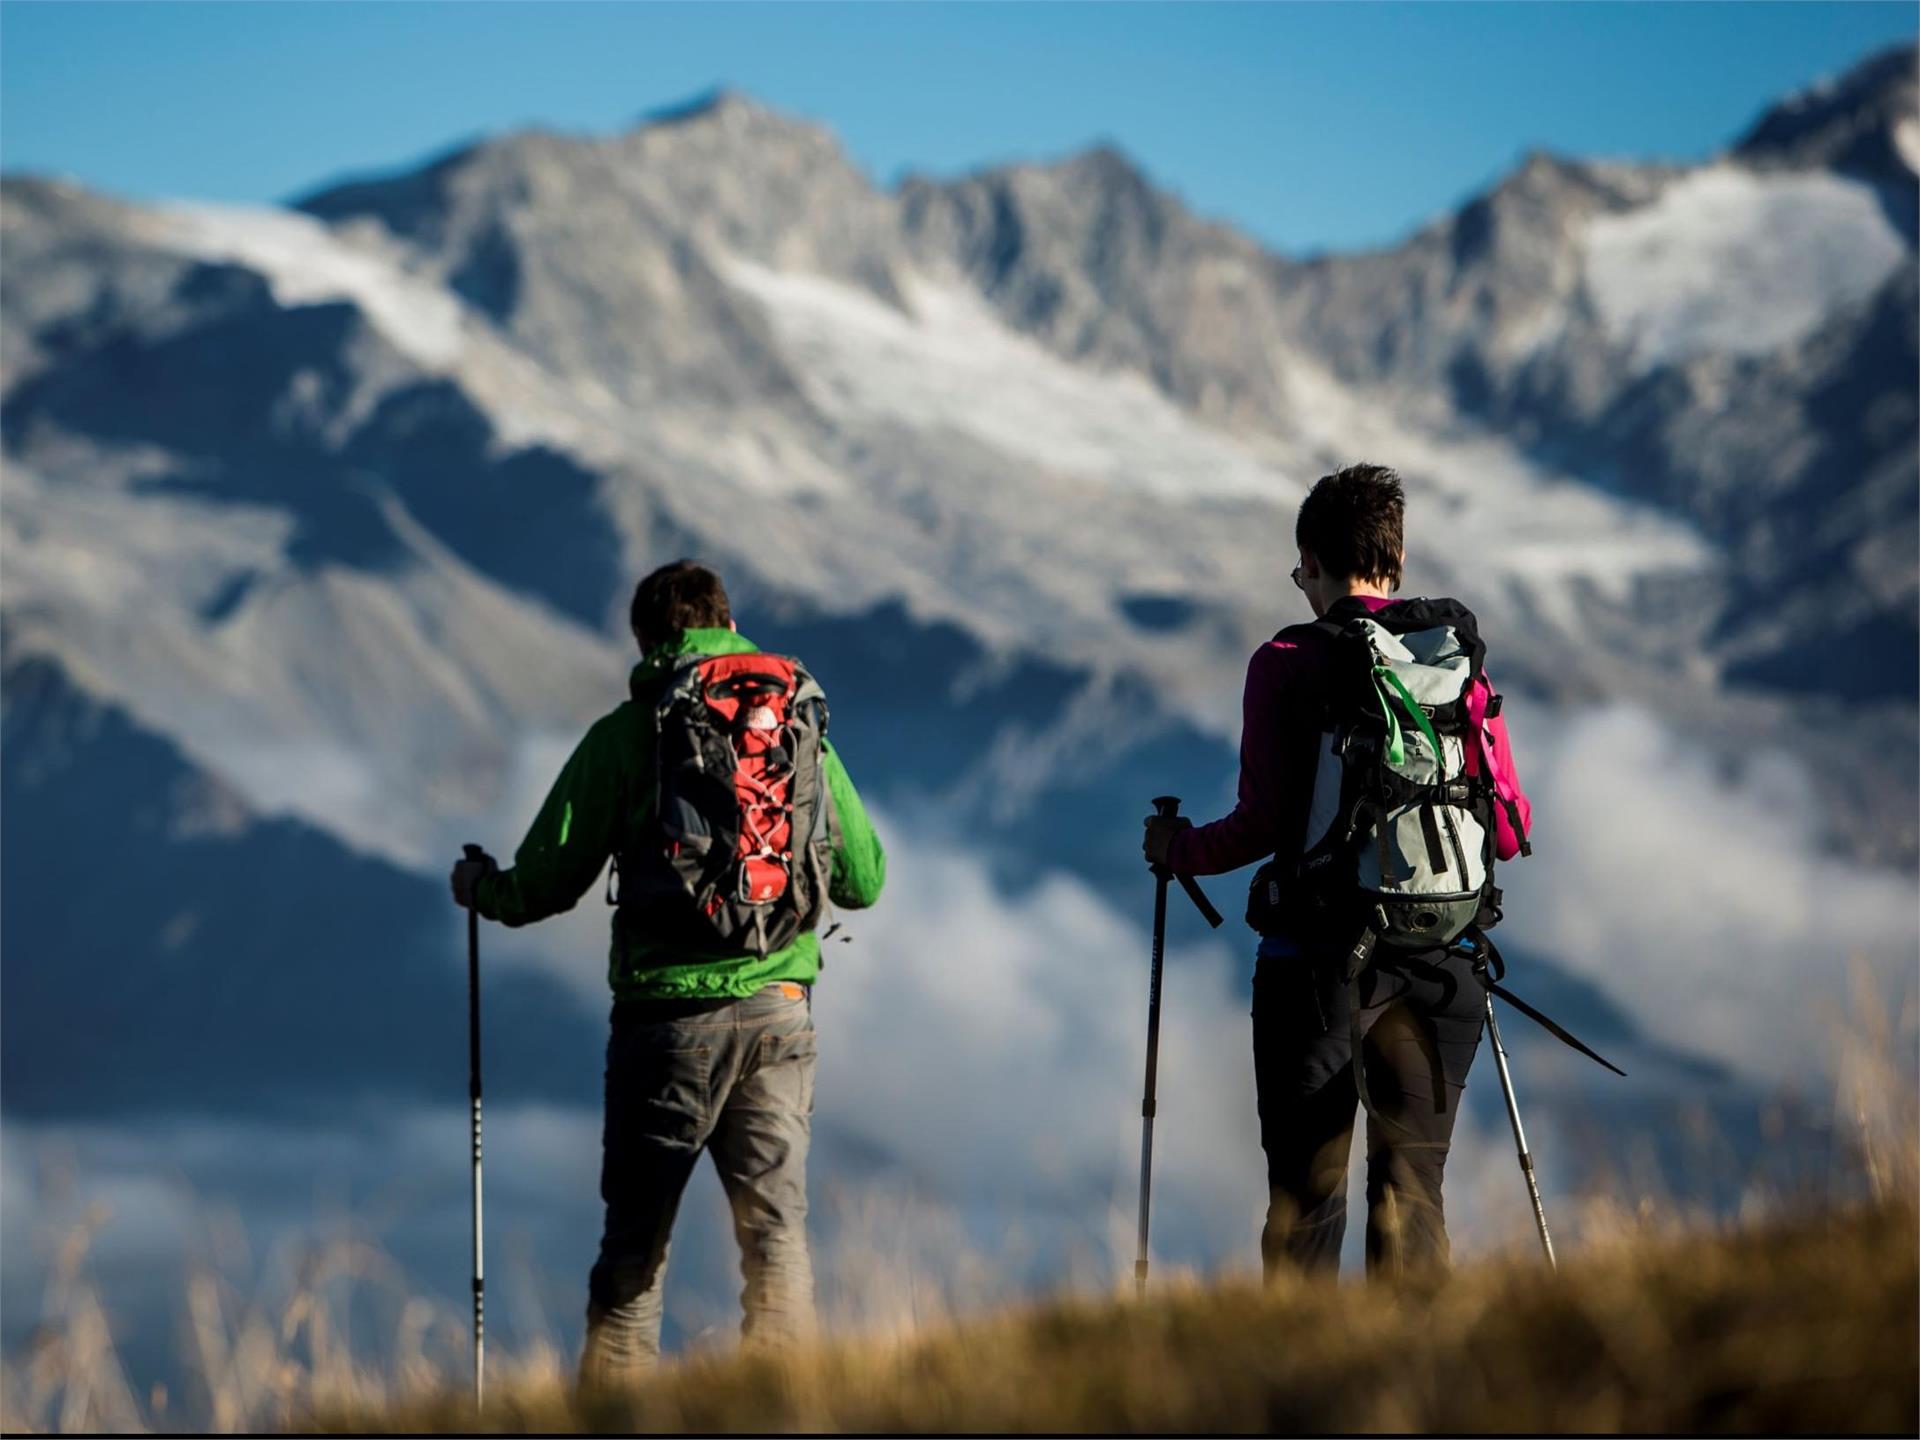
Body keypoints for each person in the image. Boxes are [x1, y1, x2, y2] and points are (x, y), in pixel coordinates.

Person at [451, 559, 886, 1385]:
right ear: (727, 623)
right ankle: (785, 1415)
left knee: (635, 1254)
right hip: (780, 1012)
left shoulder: (630, 734)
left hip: (666, 1031)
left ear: (647, 639)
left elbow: (546, 883)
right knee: (777, 1238)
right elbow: (865, 879)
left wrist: (482, 891)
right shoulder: (795, 729)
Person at [1142, 464, 1528, 1279]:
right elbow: (1509, 827)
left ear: (1313, 561)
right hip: (1442, 969)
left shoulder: (1285, 659)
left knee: (1307, 1201)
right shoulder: (1454, 662)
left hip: (1317, 976)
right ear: (1394, 557)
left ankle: (1299, 1392)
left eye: (1299, 571)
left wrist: (1178, 851)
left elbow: (1263, 822)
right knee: (1413, 1190)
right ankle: (1418, 1388)